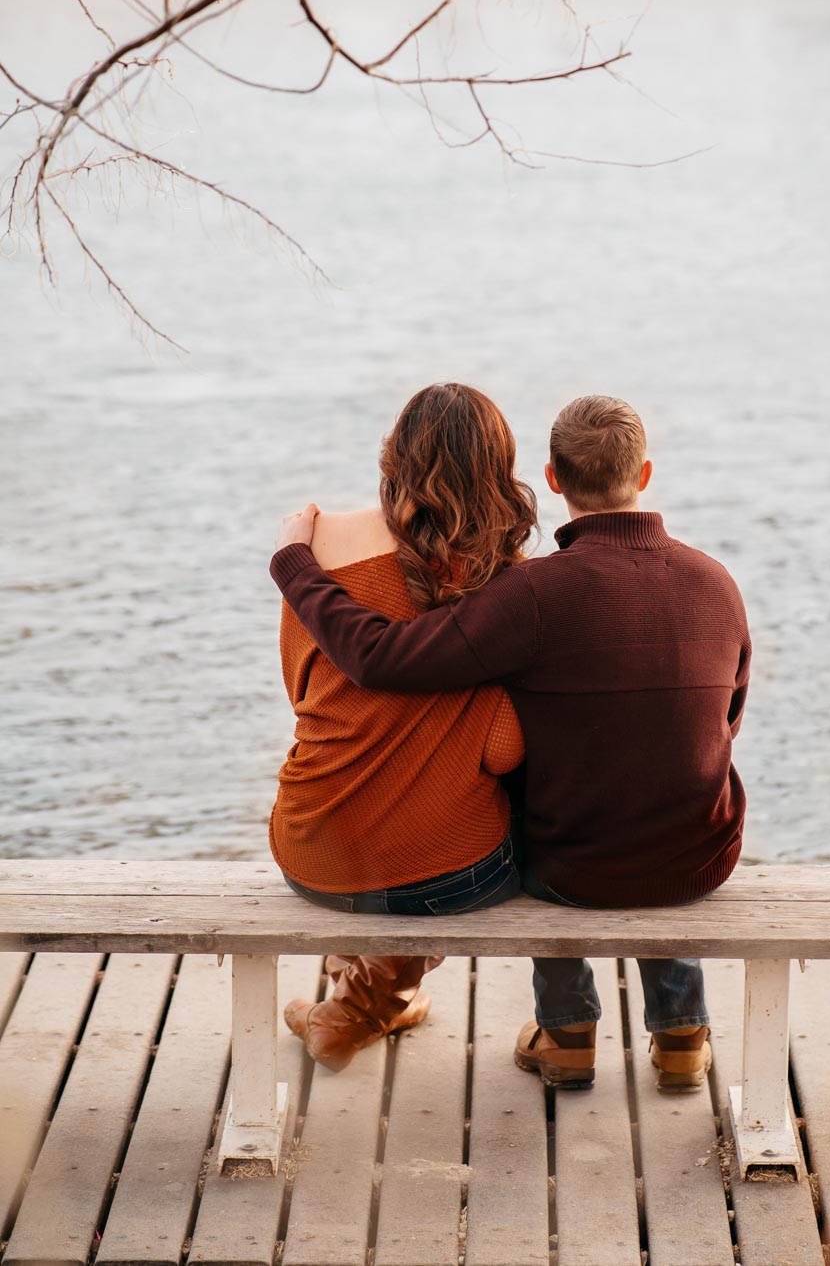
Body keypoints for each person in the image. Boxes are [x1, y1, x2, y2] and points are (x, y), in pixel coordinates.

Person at [272, 394, 750, 1092]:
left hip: (566, 867)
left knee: (530, 810)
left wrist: (293, 563)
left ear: (553, 478)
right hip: (702, 853)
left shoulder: (534, 593)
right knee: (655, 782)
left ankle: (567, 1031)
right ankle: (681, 1034)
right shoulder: (717, 582)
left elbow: (383, 658)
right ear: (644, 473)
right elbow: (728, 717)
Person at [270, 383, 536, 1071]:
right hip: (451, 875)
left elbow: (301, 689)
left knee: (388, 812)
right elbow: (509, 750)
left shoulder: (317, 543)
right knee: (477, 819)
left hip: (312, 850)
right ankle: (369, 1001)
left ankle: (372, 987)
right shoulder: (511, 577)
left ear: (395, 455)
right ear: (498, 468)